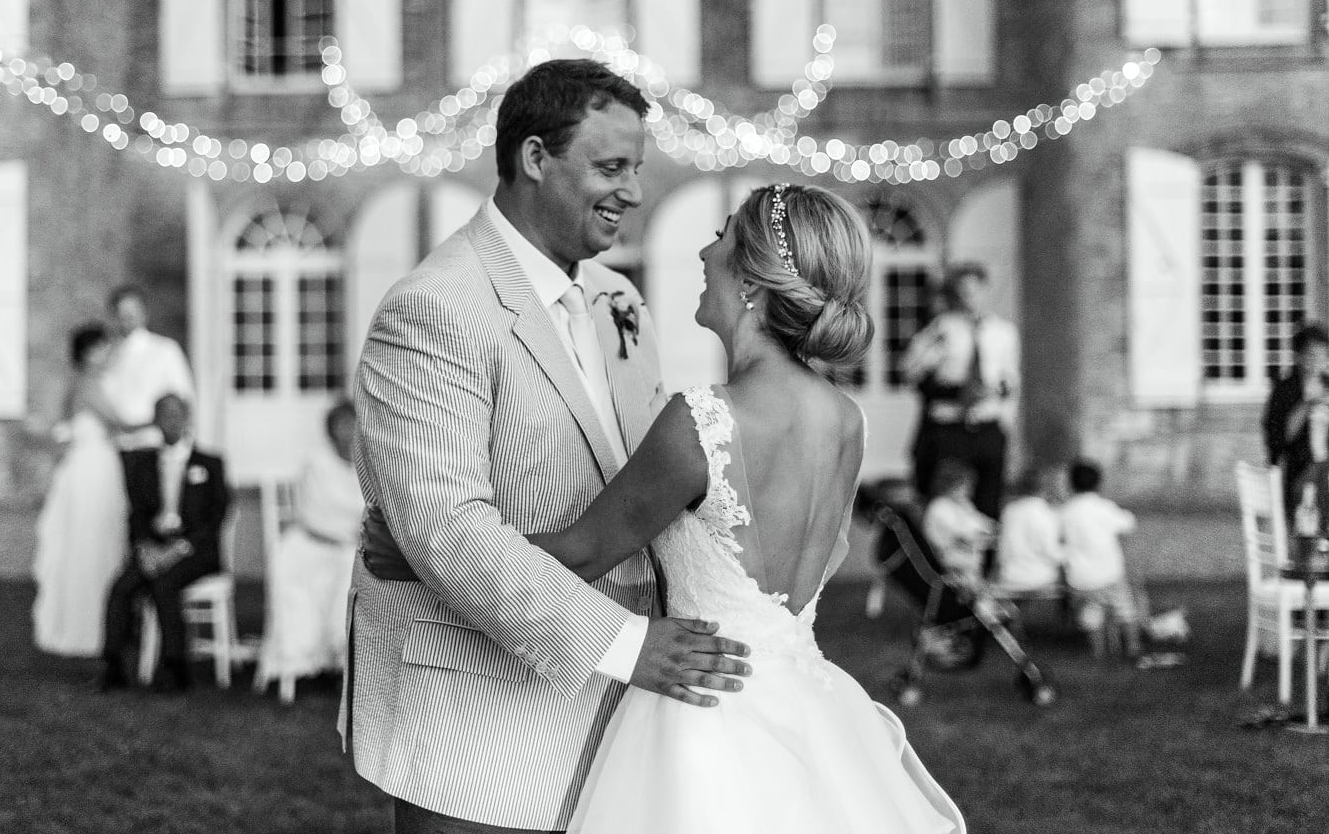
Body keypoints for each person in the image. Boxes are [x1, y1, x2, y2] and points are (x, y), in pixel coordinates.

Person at [348, 58, 752, 834]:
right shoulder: (435, 308)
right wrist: (627, 643)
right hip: (478, 715)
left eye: (635, 168)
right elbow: (448, 531)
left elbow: (649, 482)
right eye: (610, 166)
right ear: (535, 158)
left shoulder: (617, 299)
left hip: (627, 718)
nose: (633, 191)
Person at [524, 183, 964, 833]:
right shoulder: (847, 419)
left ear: (753, 278)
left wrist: (439, 544)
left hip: (705, 715)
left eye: (723, 234)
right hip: (811, 709)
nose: (704, 250)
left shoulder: (701, 422)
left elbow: (583, 551)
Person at [98, 394, 231, 692]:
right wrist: (145, 547)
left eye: (176, 414)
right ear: (156, 421)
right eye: (164, 415)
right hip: (154, 546)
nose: (171, 421)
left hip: (195, 551)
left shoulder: (210, 463)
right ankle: (113, 665)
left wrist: (178, 549)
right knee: (121, 588)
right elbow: (137, 515)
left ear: (187, 417)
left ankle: (174, 666)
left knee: (165, 584)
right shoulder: (143, 464)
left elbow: (215, 518)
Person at [32, 324, 147, 656]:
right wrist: (159, 418)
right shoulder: (89, 384)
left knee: (95, 541)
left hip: (92, 466)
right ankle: (92, 629)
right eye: (100, 348)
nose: (106, 353)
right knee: (91, 542)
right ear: (86, 353)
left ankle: (102, 624)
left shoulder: (81, 384)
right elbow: (122, 422)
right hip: (92, 470)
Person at [258, 400, 364, 688]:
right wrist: (351, 530)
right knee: (298, 582)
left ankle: (344, 661)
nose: (348, 431)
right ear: (330, 430)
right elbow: (314, 515)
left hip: (350, 549)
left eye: (353, 423)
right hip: (310, 543)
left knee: (352, 580)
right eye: (341, 425)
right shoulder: (316, 462)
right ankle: (300, 663)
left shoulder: (368, 466)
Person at [902, 262, 1019, 522]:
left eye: (975, 291)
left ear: (985, 291)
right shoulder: (942, 327)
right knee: (945, 500)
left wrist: (1004, 421)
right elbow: (910, 370)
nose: (970, 297)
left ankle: (985, 560)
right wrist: (933, 354)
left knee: (989, 498)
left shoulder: (1003, 332)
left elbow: (1011, 381)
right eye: (964, 291)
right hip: (950, 424)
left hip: (987, 422)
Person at [1059, 459, 1142, 660]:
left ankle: (1098, 652)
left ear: (1070, 484)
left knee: (1091, 613)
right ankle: (1132, 647)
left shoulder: (1065, 512)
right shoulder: (1104, 508)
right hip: (1109, 575)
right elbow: (1128, 523)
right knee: (1125, 609)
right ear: (1099, 483)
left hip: (1080, 578)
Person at [101, 284, 194, 450]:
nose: (126, 318)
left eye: (132, 311)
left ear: (144, 313)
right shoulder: (108, 356)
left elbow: (182, 396)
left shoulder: (165, 349)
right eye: (121, 312)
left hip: (153, 443)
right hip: (116, 444)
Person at [1261, 322, 1329, 523]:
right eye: (1312, 354)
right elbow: (1279, 438)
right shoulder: (1285, 390)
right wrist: (1307, 404)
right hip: (1300, 471)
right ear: (1299, 356)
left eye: (1323, 354)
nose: (1318, 361)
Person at [919, 460, 995, 589]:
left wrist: (993, 530)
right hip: (952, 568)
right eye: (967, 486)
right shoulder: (939, 507)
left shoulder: (964, 505)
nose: (970, 491)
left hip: (971, 567)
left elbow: (984, 524)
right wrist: (983, 536)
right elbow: (962, 534)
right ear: (953, 484)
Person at [995, 465, 1065, 594]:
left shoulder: (1009, 510)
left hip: (1009, 578)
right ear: (1045, 487)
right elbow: (1050, 550)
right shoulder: (1048, 514)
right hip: (1038, 581)